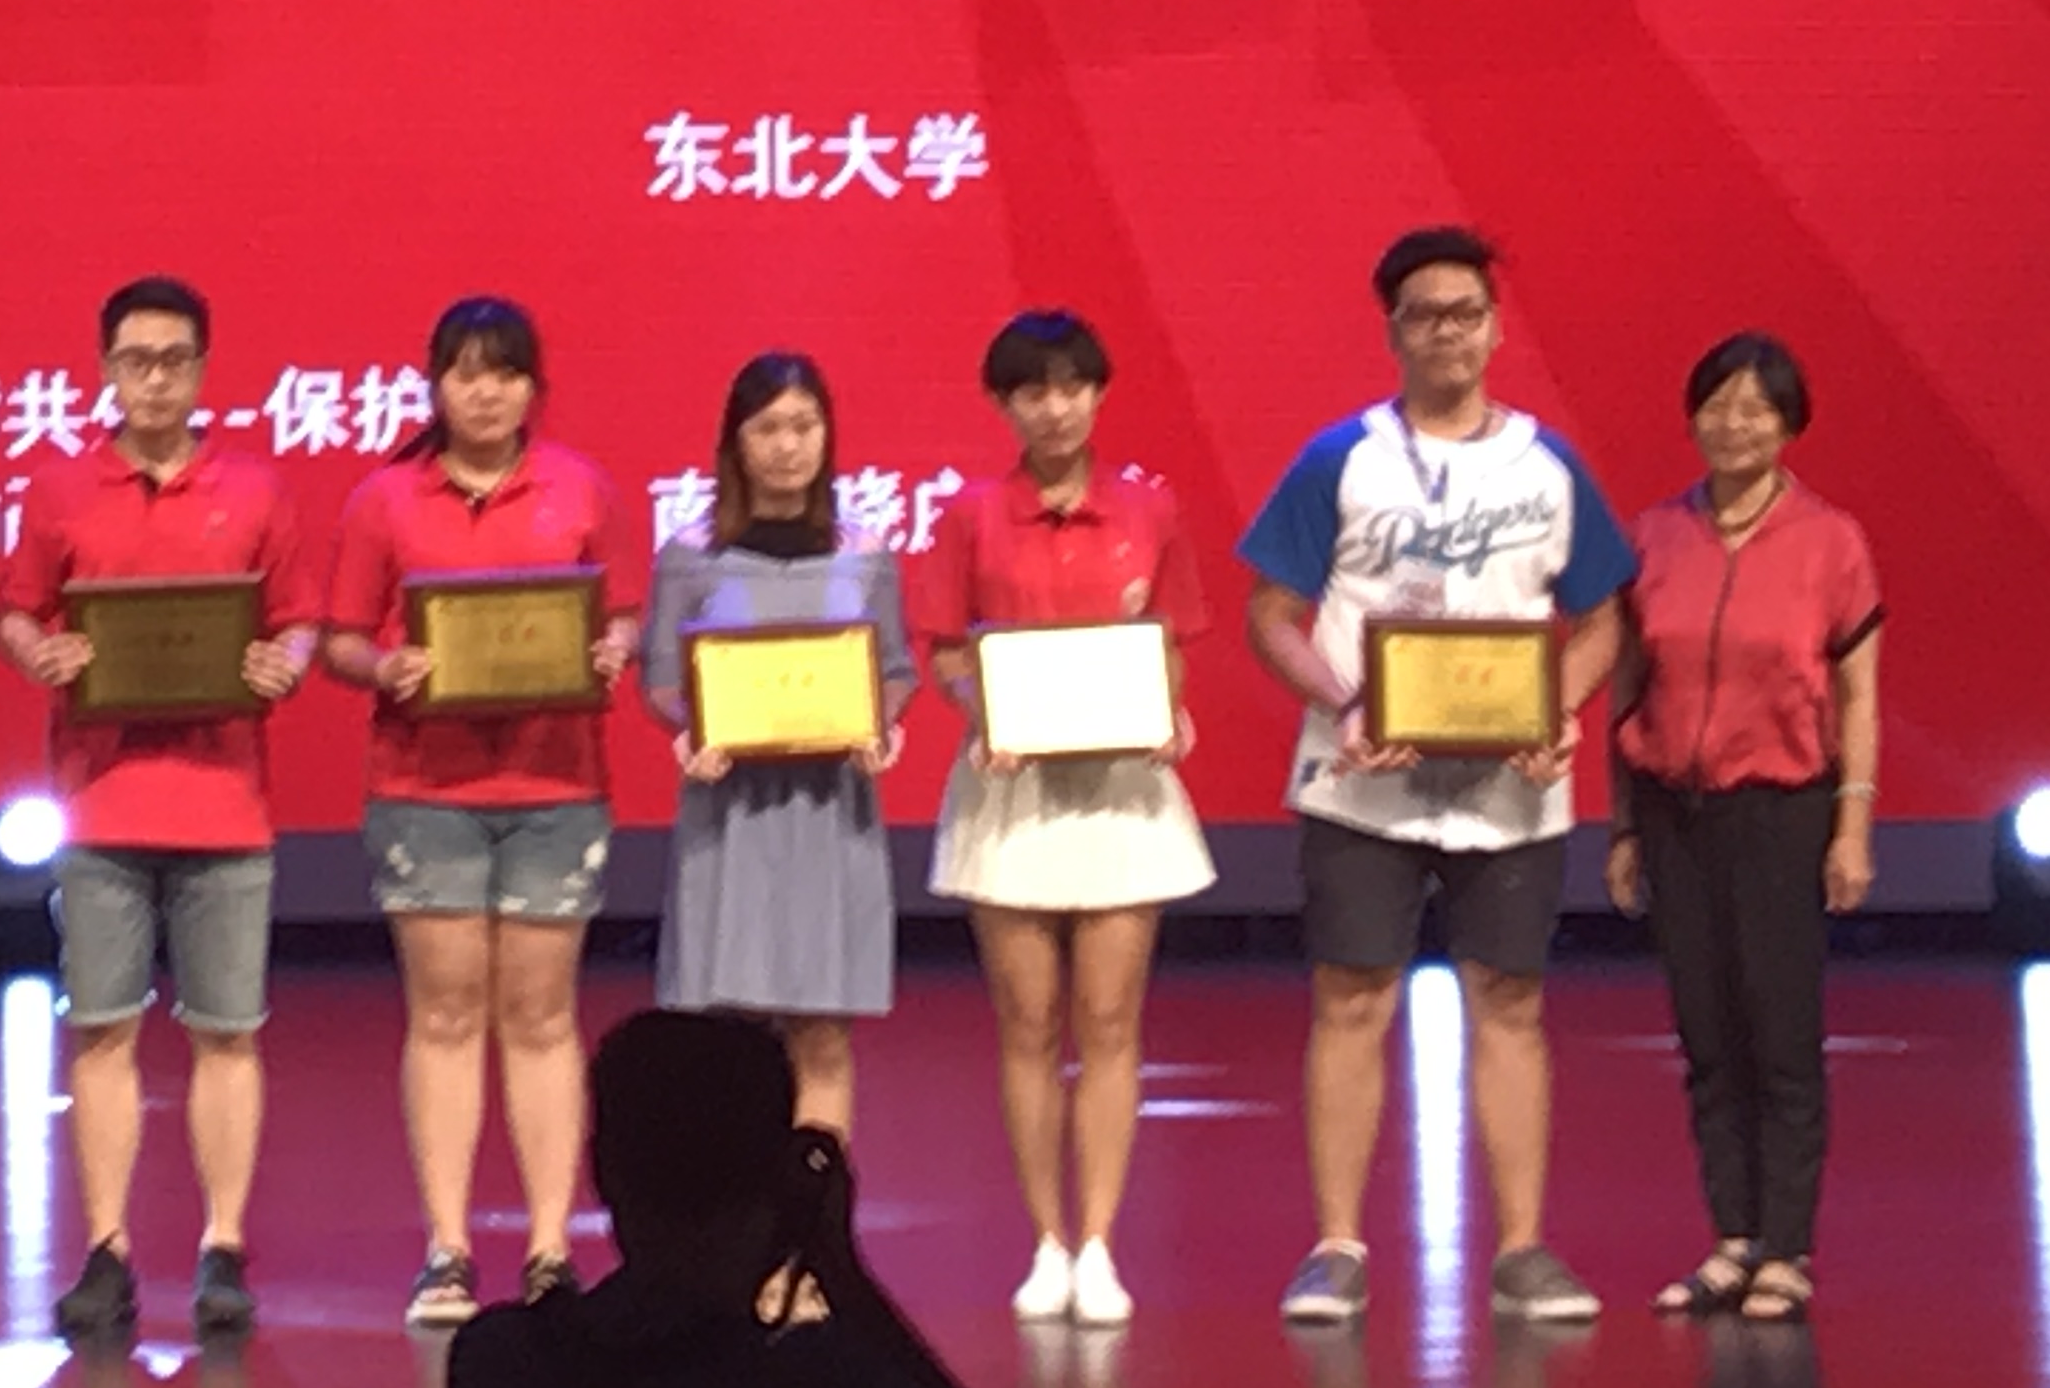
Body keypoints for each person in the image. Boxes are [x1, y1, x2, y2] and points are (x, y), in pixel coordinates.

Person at [1240, 226, 1636, 1329]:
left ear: (1496, 328)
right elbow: (1271, 615)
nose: (1448, 332)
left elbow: (1602, 618)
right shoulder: (1342, 458)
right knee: (1351, 997)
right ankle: (1335, 1247)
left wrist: (1558, 712)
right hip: (1360, 779)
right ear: (1393, 332)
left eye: (1466, 313)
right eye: (1425, 315)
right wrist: (1344, 701)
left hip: (1510, 787)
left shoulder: (1548, 467)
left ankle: (1522, 1248)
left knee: (1509, 1001)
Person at [0, 276, 325, 1342]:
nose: (155, 380)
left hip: (226, 806)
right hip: (100, 807)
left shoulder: (254, 490)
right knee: (102, 1031)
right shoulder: (61, 489)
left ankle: (223, 1247)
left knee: (228, 1033)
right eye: (135, 361)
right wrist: (39, 652)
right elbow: (16, 613)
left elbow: (300, 619)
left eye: (174, 360)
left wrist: (287, 661)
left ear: (202, 370)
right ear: (105, 371)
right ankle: (108, 1250)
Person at [320, 294, 647, 1327]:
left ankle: (550, 1247)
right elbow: (339, 638)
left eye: (505, 373)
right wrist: (386, 665)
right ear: (436, 385)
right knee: (447, 1015)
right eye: (466, 372)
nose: (486, 392)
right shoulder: (385, 500)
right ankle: (448, 1249)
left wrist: (614, 648)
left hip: (556, 786)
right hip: (426, 789)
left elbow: (626, 613)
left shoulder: (580, 488)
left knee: (544, 1016)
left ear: (532, 388)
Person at [915, 308, 1215, 1326]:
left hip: (1122, 796)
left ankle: (1100, 1244)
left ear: (1099, 395)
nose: (1055, 408)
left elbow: (1169, 640)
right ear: (1004, 405)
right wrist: (983, 713)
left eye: (1073, 388)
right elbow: (946, 651)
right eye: (1033, 392)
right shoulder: (971, 516)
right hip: (1011, 794)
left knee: (1112, 1020)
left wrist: (1166, 710)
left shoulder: (1147, 510)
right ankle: (1046, 1241)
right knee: (1030, 1024)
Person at [1608, 332, 1884, 1327]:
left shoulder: (1830, 541)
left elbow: (1857, 693)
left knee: (1780, 1032)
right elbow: (1629, 687)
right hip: (1674, 812)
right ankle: (1732, 1238)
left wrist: (1852, 825)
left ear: (1789, 424)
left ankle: (1788, 1248)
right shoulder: (1654, 537)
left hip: (1782, 810)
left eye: (1758, 408)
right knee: (1707, 1033)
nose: (1735, 425)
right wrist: (1623, 827)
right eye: (1719, 405)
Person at [444, 1010, 984, 1388]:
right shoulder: (811, 1386)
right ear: (777, 1181)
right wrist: (841, 1268)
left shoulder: (503, 1362)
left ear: (602, 1172)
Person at [642, 353, 914, 1138]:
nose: (788, 446)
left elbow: (894, 669)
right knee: (731, 1038)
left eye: (804, 426)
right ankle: (738, 1211)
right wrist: (691, 729)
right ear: (736, 440)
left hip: (832, 816)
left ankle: (814, 1210)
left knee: (824, 1034)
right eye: (768, 428)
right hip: (730, 814)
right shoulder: (690, 555)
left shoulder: (864, 552)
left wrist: (880, 722)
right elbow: (662, 679)